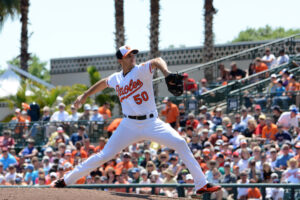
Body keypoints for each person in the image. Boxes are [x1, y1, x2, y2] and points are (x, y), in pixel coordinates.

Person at [51, 45, 221, 195]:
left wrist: (166, 73)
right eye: (129, 56)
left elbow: (157, 60)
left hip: (152, 123)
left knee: (180, 143)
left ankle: (201, 184)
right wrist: (85, 95)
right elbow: (103, 82)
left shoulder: (140, 70)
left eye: (133, 55)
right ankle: (65, 180)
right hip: (129, 125)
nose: (133, 57)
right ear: (120, 60)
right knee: (105, 155)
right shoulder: (117, 78)